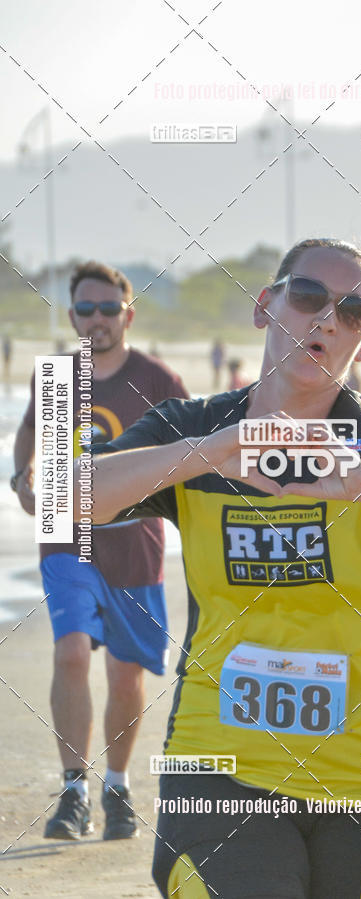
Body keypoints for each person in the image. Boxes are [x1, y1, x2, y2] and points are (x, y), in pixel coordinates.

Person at [81, 238, 361, 898]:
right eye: (309, 295)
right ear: (265, 305)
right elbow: (67, 497)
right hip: (223, 764)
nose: (326, 319)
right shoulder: (198, 429)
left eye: (352, 310)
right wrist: (208, 453)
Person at [12, 261, 189, 841]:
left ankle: (117, 785)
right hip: (66, 536)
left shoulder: (156, 380)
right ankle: (73, 791)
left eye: (108, 309)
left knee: (125, 672)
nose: (97, 319)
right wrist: (21, 476)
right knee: (70, 654)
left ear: (127, 315)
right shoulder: (59, 377)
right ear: (72, 316)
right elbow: (31, 432)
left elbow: (192, 449)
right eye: (86, 309)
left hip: (136, 543)